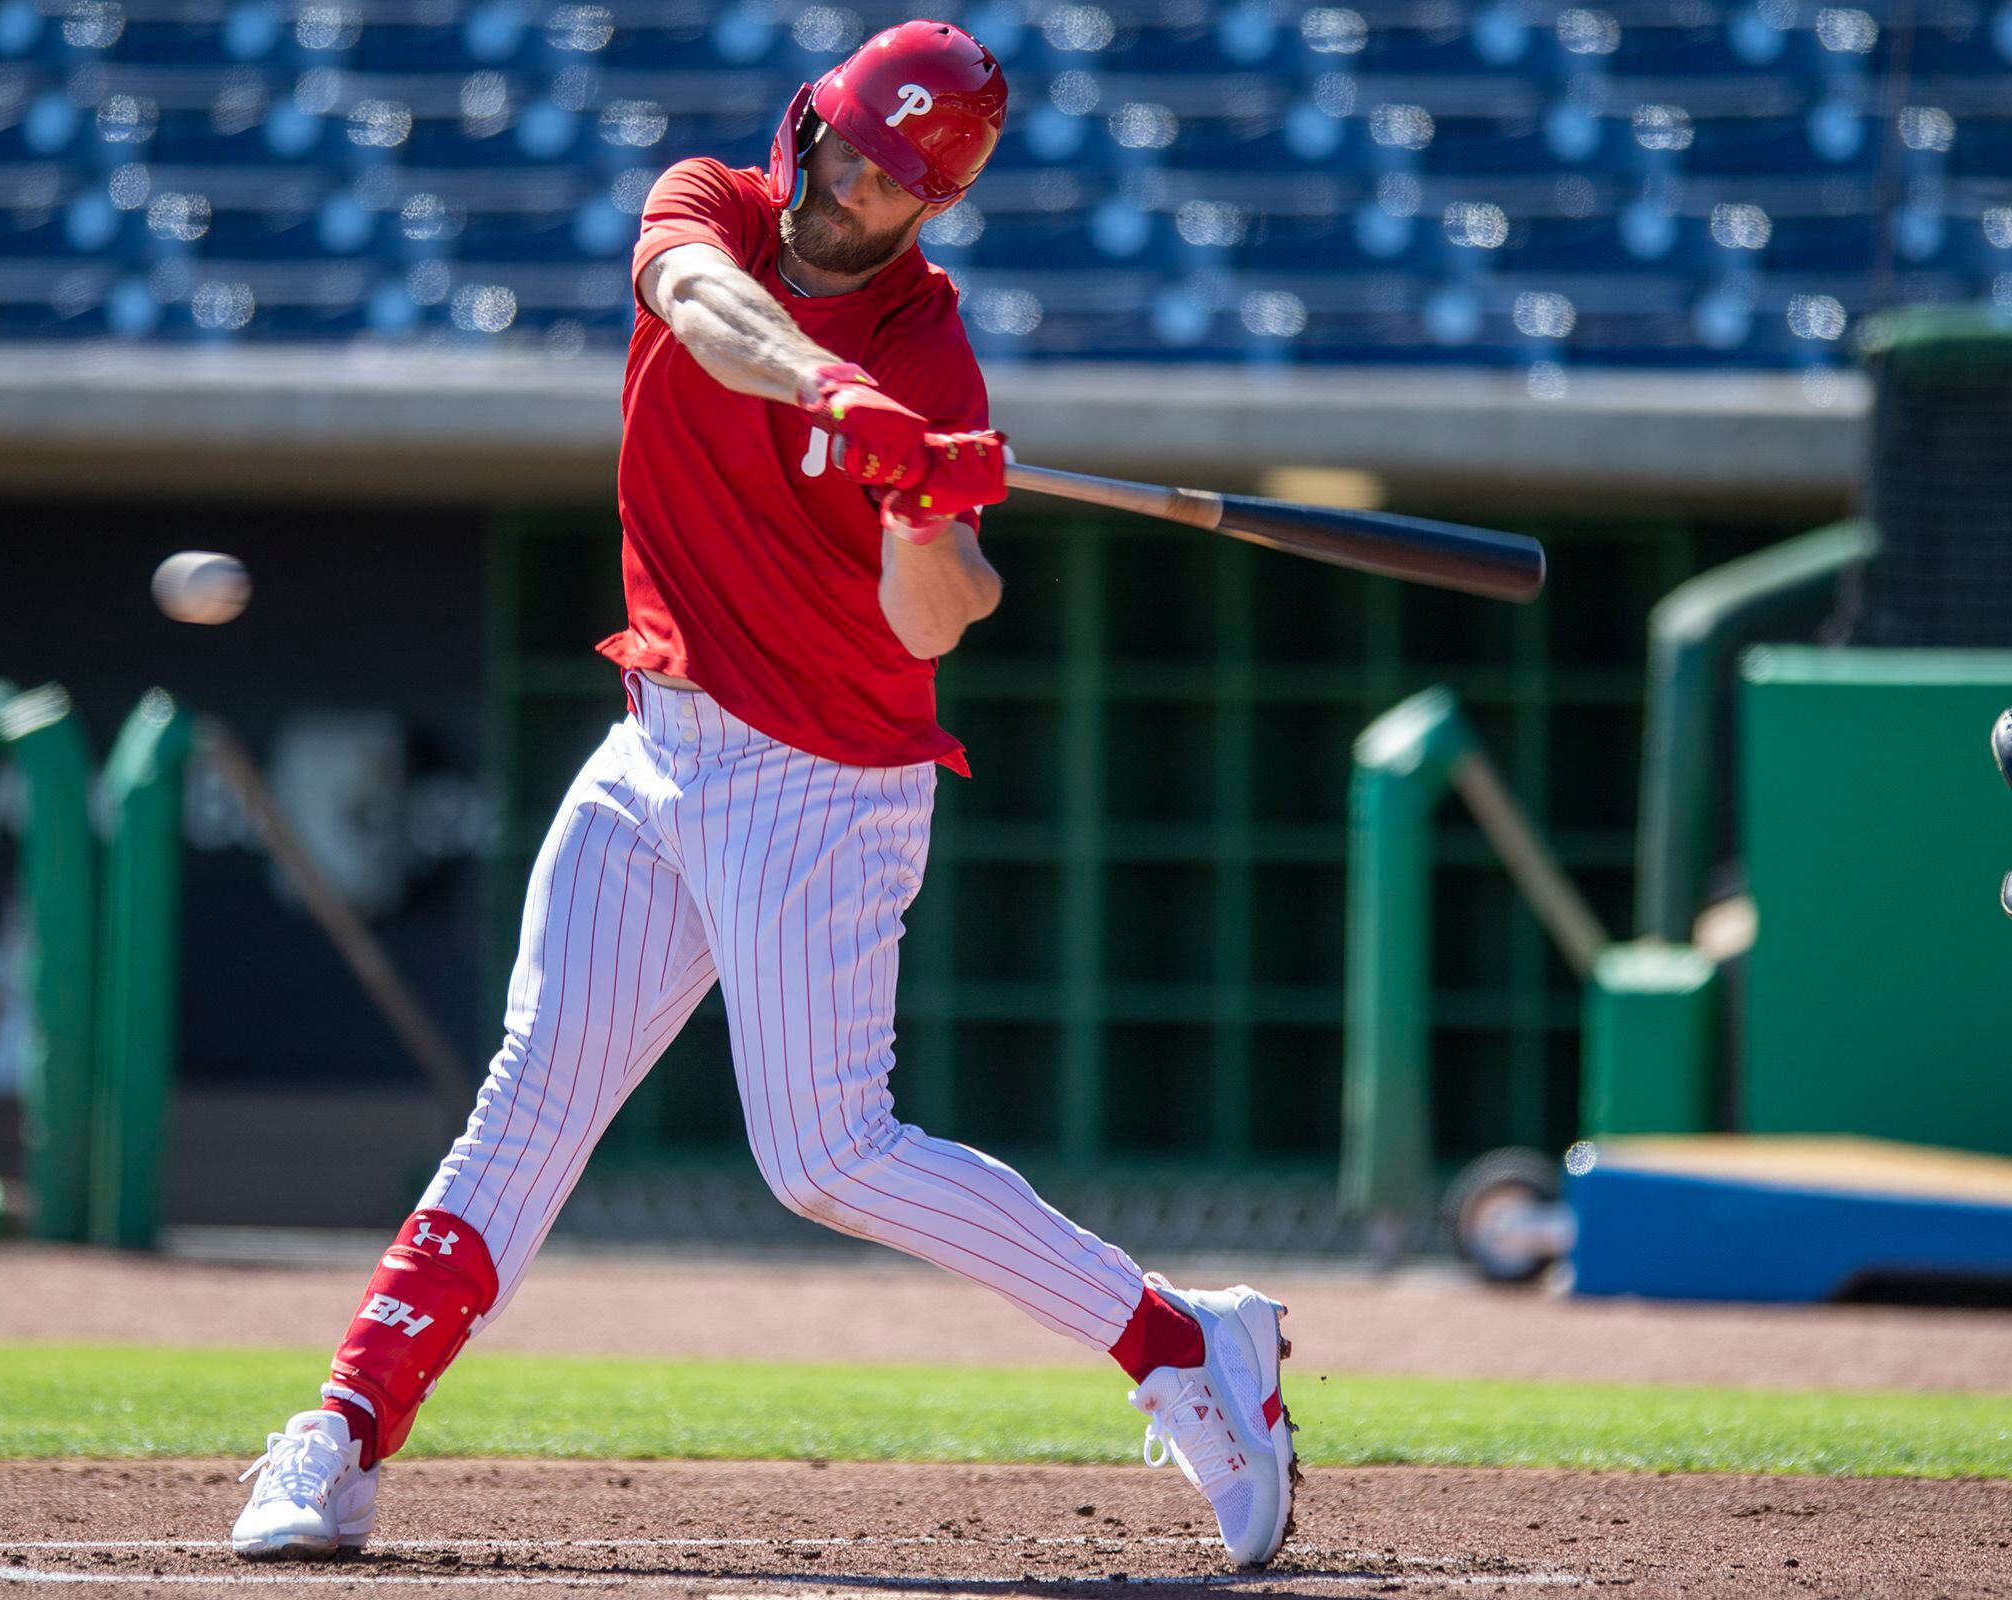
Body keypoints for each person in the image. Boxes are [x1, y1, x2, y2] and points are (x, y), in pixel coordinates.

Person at [231, 19, 1296, 1571]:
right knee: (532, 1095)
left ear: (930, 205)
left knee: (825, 1157)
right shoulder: (716, 207)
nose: (841, 178)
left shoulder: (930, 354)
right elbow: (700, 306)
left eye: (883, 174)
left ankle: (1184, 1345)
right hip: (657, 739)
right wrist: (825, 392)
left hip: (823, 780)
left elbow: (940, 618)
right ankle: (344, 1430)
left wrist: (925, 509)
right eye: (840, 138)